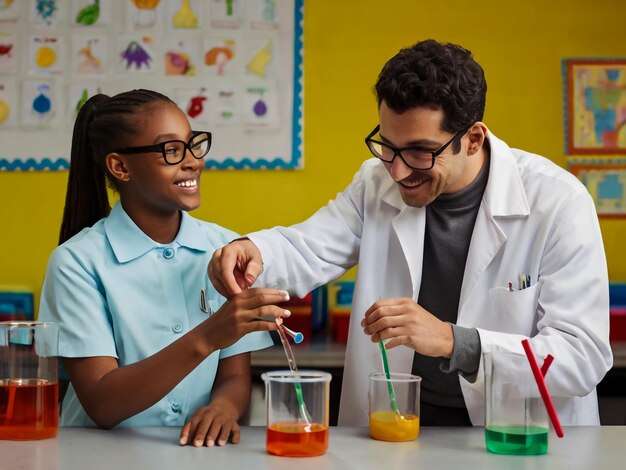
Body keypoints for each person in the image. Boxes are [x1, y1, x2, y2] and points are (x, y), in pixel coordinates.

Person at [208, 40, 613, 426]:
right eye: (387, 146)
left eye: (420, 151)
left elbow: (582, 356)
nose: (397, 170)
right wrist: (253, 249)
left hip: (513, 430)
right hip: (401, 424)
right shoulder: (376, 182)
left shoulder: (558, 202)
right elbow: (308, 247)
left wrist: (454, 341)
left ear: (473, 139)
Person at [38, 89, 291, 446]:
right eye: (171, 151)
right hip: (95, 457)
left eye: (192, 145)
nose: (192, 162)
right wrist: (208, 335)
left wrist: (222, 409)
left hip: (193, 454)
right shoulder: (76, 263)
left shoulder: (226, 250)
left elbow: (234, 376)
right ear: (120, 166)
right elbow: (103, 402)